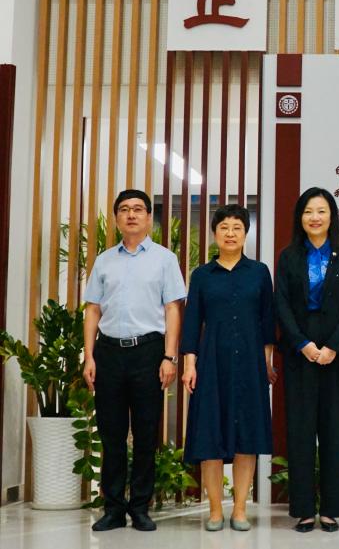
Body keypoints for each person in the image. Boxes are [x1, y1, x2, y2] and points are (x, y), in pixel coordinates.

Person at [82, 189, 187, 532]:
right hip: (108, 353)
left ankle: (140, 507)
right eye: (124, 209)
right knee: (111, 434)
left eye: (138, 209)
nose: (131, 215)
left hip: (148, 352)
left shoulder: (164, 259)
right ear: (116, 218)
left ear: (149, 217)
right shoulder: (104, 261)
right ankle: (113, 508)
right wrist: (89, 355)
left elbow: (173, 309)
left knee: (145, 434)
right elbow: (93, 310)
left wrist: (169, 356)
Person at [180, 204, 274, 532]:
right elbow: (192, 323)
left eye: (237, 228)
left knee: (248, 436)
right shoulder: (202, 275)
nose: (230, 233)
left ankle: (240, 510)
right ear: (214, 233)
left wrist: (267, 362)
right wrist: (189, 365)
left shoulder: (259, 273)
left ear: (246, 233)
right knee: (211, 435)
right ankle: (216, 511)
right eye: (224, 228)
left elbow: (267, 321)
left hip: (250, 363)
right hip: (211, 364)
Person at [275, 188, 339, 532]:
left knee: (333, 429)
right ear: (300, 217)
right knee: (300, 431)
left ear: (332, 216)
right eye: (308, 211)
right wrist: (302, 344)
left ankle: (330, 509)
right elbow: (281, 303)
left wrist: (333, 347)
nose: (315, 217)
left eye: (321, 211)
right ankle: (303, 510)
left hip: (337, 353)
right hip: (299, 352)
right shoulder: (288, 256)